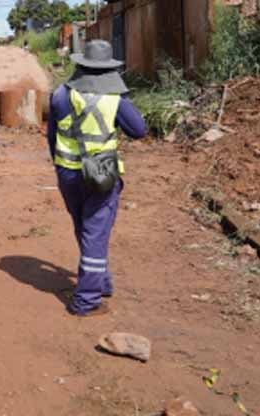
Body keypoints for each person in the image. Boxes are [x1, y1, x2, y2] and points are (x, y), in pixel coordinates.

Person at [47, 39, 146, 317]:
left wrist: (61, 168)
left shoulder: (59, 95)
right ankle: (87, 300)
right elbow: (139, 130)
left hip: (67, 173)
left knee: (85, 228)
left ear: (81, 66)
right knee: (96, 231)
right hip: (101, 173)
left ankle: (100, 281)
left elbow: (51, 139)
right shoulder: (115, 99)